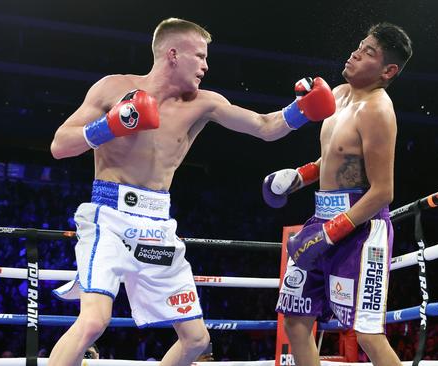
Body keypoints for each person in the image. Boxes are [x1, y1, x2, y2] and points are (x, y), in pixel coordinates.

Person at [49, 17, 336, 366]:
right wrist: (111, 125)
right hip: (108, 215)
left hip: (156, 225)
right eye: (199, 56)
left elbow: (264, 126)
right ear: (173, 54)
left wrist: (301, 110)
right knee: (94, 321)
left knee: (197, 340)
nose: (206, 65)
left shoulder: (204, 103)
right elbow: (60, 145)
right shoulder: (113, 87)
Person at [265, 23, 412, 366]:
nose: (356, 53)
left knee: (367, 334)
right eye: (360, 45)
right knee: (297, 320)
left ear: (388, 70)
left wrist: (330, 234)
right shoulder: (338, 93)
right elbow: (334, 157)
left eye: (369, 52)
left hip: (362, 229)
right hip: (321, 220)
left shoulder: (378, 111)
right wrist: (299, 177)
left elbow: (383, 190)